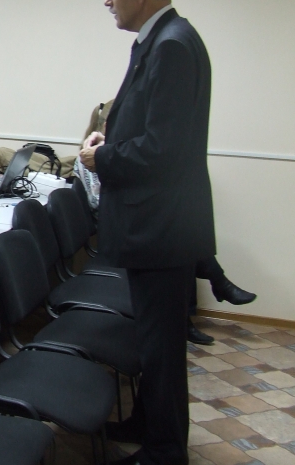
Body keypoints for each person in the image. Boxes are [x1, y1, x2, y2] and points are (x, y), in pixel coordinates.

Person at [79, 0, 215, 465]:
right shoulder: (162, 39)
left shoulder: (172, 46)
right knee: (153, 343)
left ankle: (163, 456)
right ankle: (148, 424)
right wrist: (109, 140)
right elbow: (149, 127)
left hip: (160, 226)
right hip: (158, 223)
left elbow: (163, 149)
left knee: (161, 348)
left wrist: (102, 158)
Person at [75, 101, 256, 346]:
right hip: (111, 225)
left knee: (179, 241)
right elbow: (97, 200)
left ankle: (190, 315)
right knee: (177, 243)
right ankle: (214, 287)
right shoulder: (90, 155)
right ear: (107, 125)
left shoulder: (118, 152)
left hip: (131, 220)